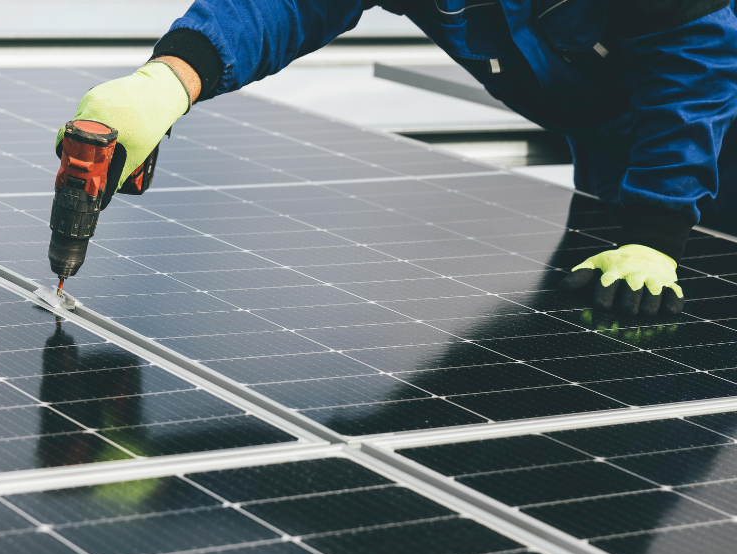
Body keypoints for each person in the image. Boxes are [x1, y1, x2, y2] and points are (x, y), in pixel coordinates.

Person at [57, 0, 737, 318]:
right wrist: (170, 79)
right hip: (613, 154)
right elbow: (284, 5)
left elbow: (697, 66)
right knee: (588, 336)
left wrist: (655, 233)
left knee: (690, 365)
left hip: (714, 140)